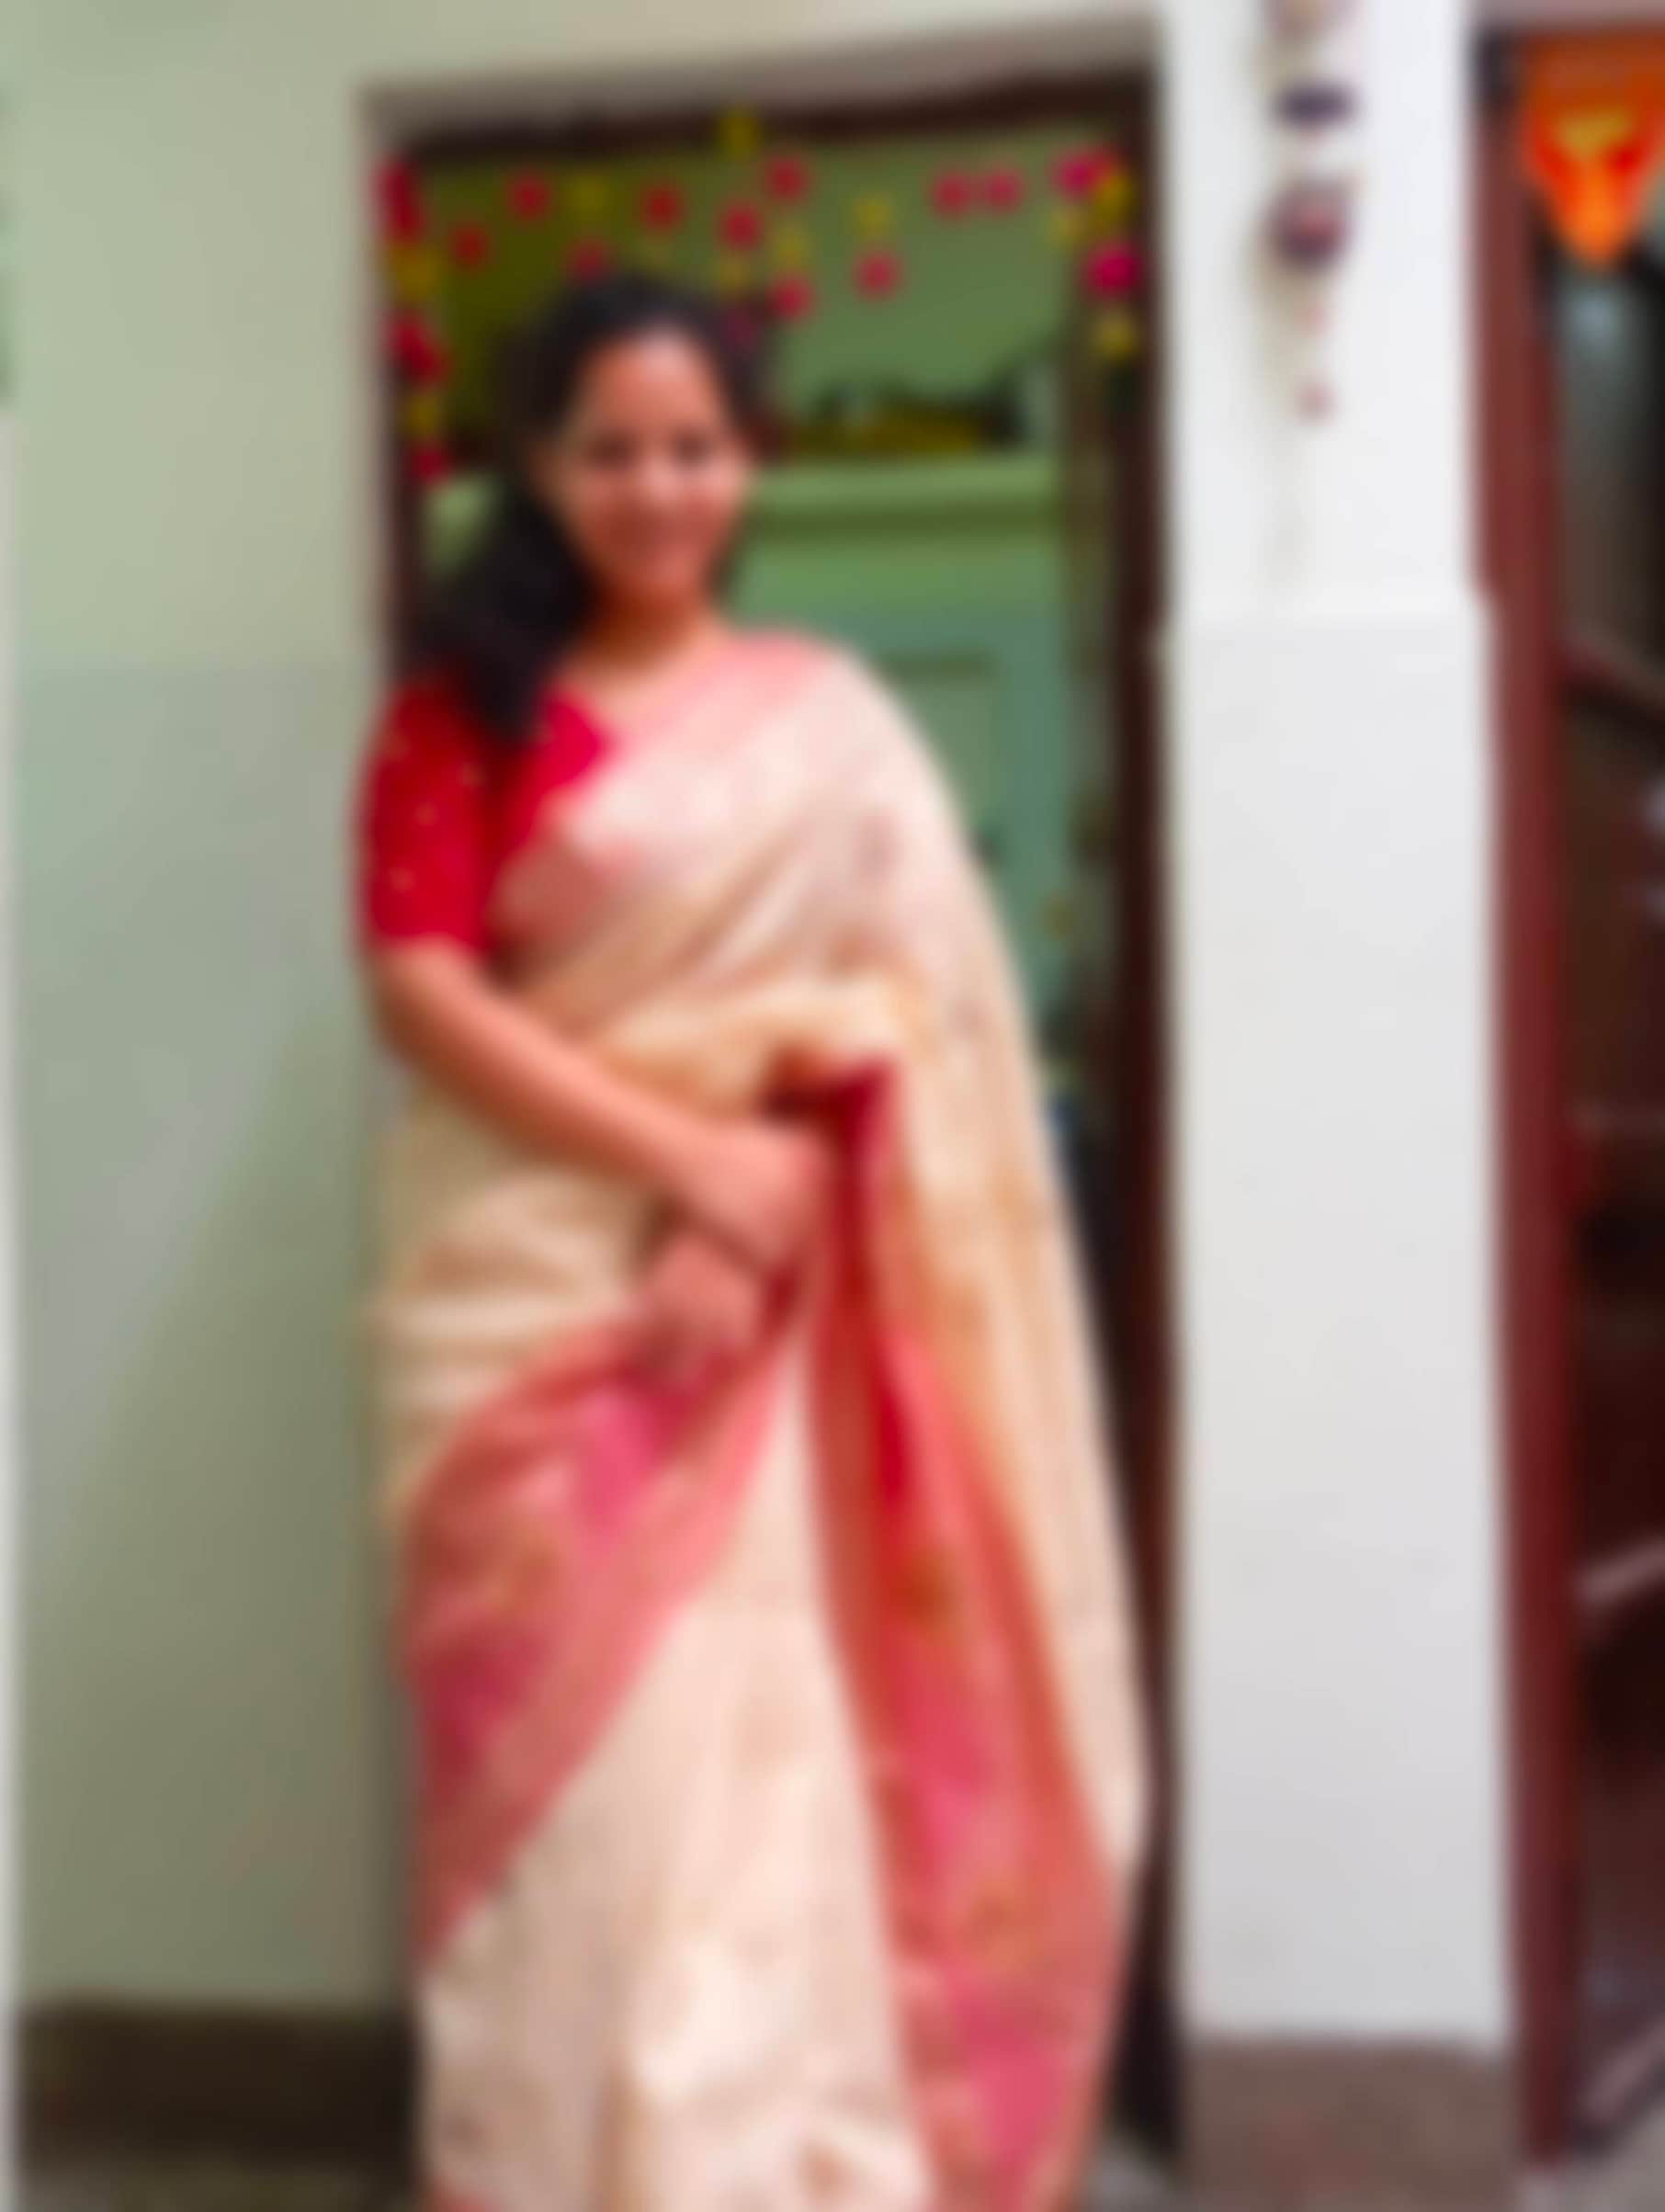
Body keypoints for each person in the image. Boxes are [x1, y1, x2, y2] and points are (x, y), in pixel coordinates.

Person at [354, 272, 1146, 2212]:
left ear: (751, 459)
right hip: (532, 1300)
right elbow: (422, 993)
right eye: (610, 450)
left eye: (695, 447)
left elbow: (894, 1016)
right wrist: (687, 1162)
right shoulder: (461, 714)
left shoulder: (834, 731)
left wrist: (754, 1206)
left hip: (782, 1320)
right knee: (587, 1825)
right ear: (538, 467)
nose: (657, 489)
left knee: (786, 1794)